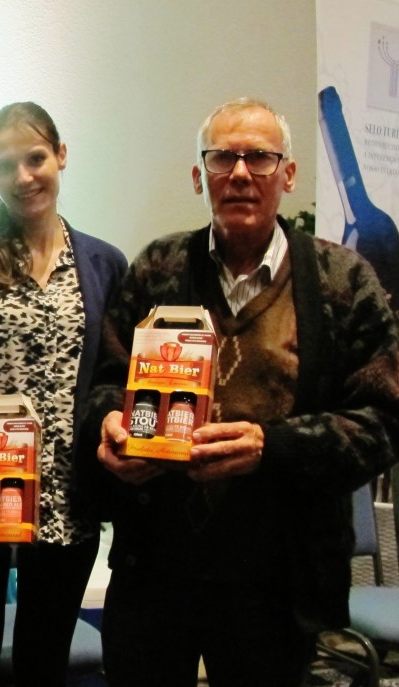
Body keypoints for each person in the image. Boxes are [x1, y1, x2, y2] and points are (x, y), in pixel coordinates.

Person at [84, 97, 399, 687]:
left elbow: (384, 420)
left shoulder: (343, 280)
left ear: (288, 174)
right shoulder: (157, 267)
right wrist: (110, 429)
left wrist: (271, 448)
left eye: (259, 157)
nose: (240, 173)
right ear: (199, 175)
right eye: (222, 157)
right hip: (157, 568)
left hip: (276, 579)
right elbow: (106, 383)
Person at [0, 101, 127, 686]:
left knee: (44, 662)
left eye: (35, 158)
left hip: (67, 501)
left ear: (61, 156)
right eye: (5, 164)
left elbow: (113, 379)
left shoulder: (104, 264)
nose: (23, 176)